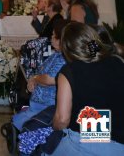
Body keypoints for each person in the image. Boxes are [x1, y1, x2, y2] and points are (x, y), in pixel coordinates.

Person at [50, 22, 124, 155]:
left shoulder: (70, 71)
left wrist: (53, 126)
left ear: (67, 48)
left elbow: (62, 120)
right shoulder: (117, 61)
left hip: (88, 144)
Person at [12, 19, 67, 131]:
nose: (51, 38)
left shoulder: (63, 58)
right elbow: (41, 72)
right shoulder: (56, 54)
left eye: (53, 36)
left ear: (61, 39)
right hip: (39, 104)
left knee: (21, 122)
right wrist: (33, 79)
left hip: (47, 107)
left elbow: (50, 79)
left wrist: (35, 79)